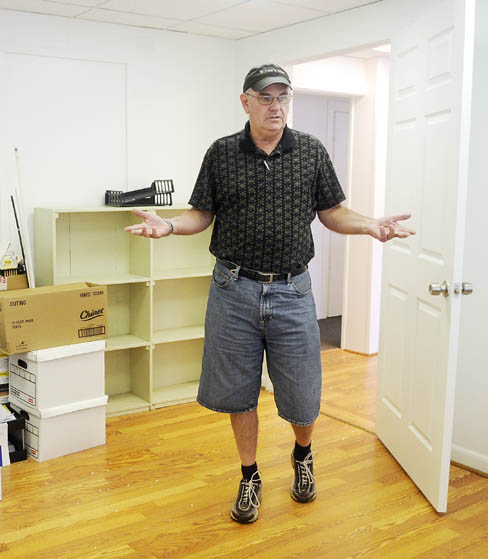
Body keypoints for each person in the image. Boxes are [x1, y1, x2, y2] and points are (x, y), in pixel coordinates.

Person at [124, 63, 415, 524]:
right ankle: (250, 476)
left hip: (292, 291)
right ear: (246, 102)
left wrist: (369, 225)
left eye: (282, 97)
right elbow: (202, 215)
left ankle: (303, 455)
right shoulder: (221, 153)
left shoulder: (311, 152)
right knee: (238, 394)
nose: (276, 105)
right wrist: (171, 226)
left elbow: (333, 212)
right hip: (232, 289)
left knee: (301, 393)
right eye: (266, 97)